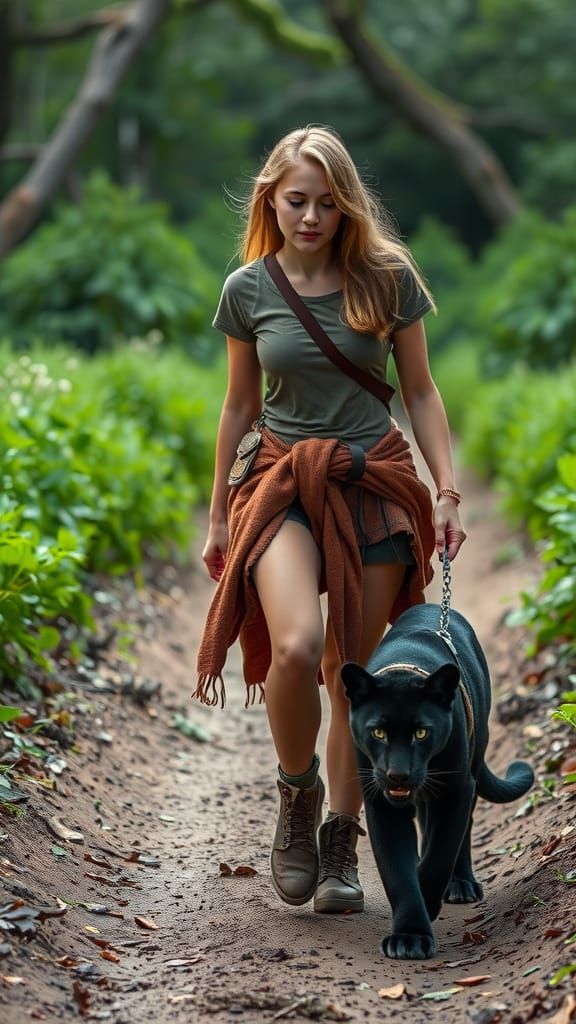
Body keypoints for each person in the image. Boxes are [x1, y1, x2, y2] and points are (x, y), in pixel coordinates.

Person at [195, 125, 466, 916]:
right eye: (296, 202)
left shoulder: (386, 277)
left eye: (325, 202)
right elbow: (240, 404)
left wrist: (445, 490)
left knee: (352, 666)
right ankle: (298, 796)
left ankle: (344, 837)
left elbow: (420, 391)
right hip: (283, 481)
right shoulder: (247, 288)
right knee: (295, 648)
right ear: (270, 202)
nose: (311, 217)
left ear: (347, 203)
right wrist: (218, 515)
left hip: (371, 480)